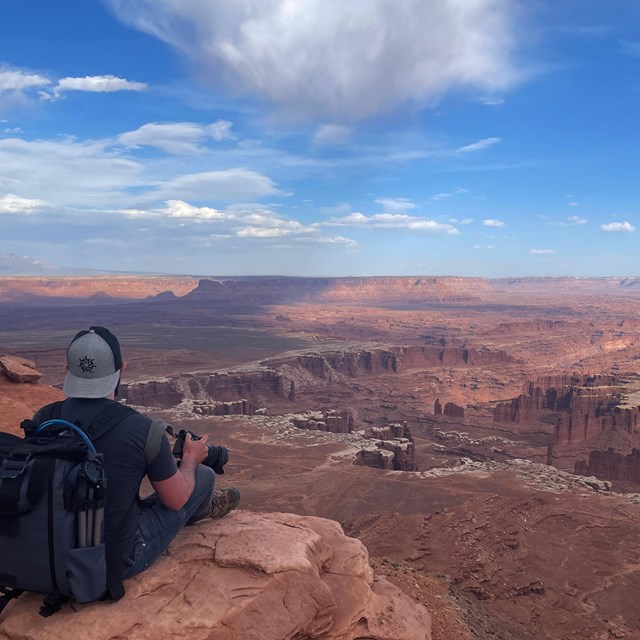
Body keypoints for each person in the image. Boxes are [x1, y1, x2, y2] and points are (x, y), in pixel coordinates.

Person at [32, 326, 240, 586]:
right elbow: (176, 500)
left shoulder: (43, 419)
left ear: (67, 371)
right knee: (204, 476)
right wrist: (189, 460)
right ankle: (200, 512)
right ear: (122, 368)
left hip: (45, 553)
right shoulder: (141, 429)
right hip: (110, 560)